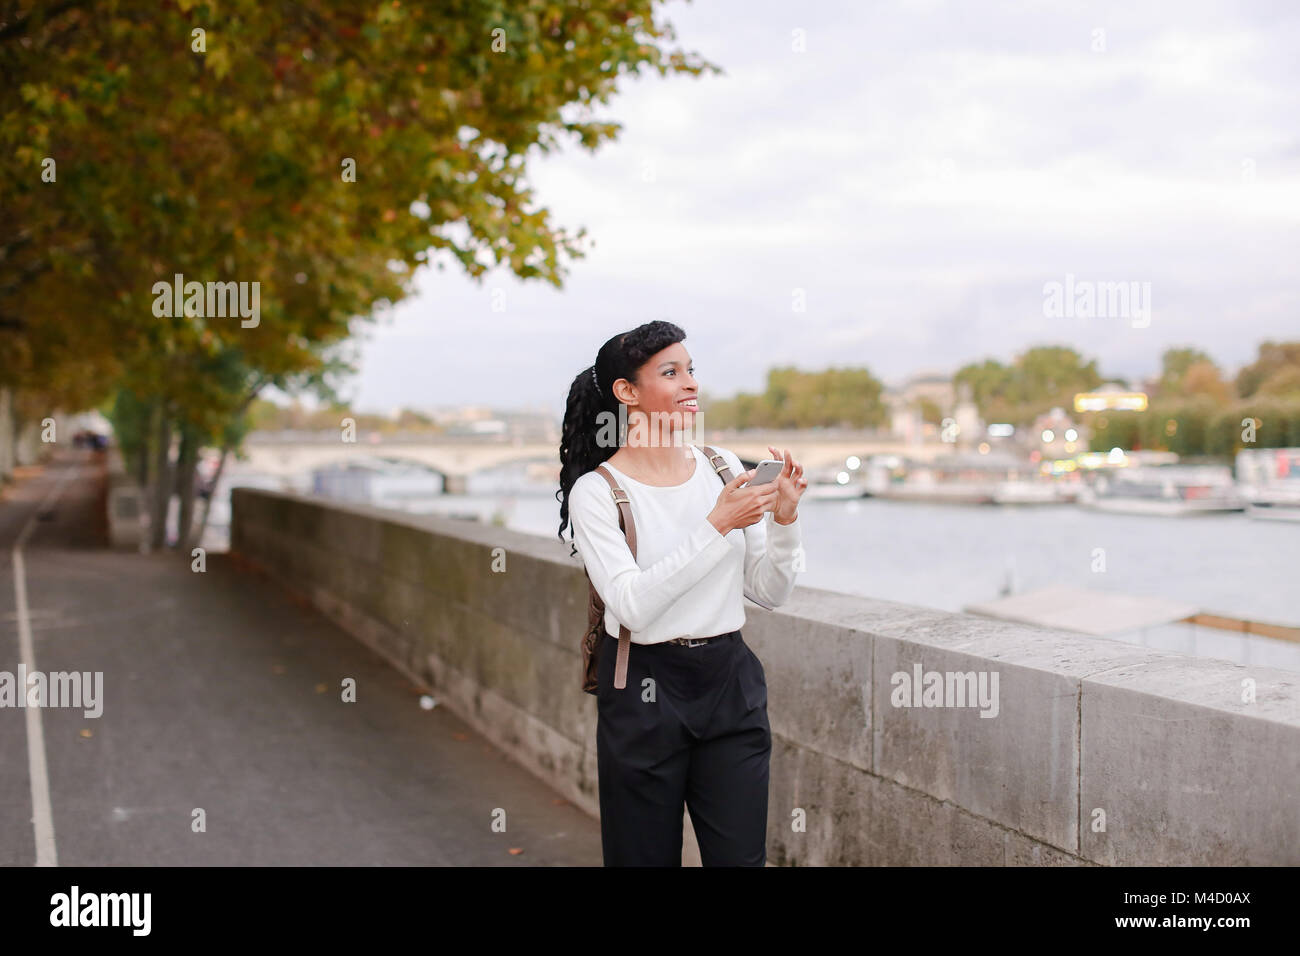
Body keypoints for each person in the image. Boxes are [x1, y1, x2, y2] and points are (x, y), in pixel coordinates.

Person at [556, 320, 807, 866]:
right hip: (644, 686)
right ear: (627, 392)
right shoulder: (598, 494)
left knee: (741, 861)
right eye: (670, 372)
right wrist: (715, 527)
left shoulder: (721, 468)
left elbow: (768, 591)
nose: (690, 383)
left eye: (691, 369)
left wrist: (785, 520)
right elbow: (632, 606)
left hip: (729, 682)